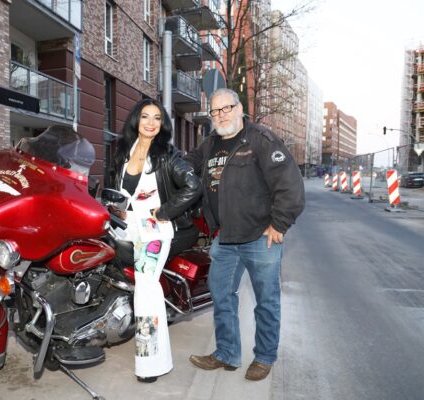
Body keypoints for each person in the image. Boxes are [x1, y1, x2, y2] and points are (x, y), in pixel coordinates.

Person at [184, 88, 305, 381]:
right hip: (225, 238)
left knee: (266, 301)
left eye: (226, 108)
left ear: (239, 108)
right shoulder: (210, 144)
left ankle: (264, 357)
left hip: (259, 237)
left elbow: (290, 186)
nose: (221, 115)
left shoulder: (261, 139)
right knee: (221, 296)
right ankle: (227, 353)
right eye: (215, 111)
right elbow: (186, 165)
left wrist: (279, 225)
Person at [110, 98, 201, 383]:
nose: (151, 123)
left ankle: (151, 361)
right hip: (125, 227)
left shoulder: (167, 155)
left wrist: (164, 211)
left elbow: (193, 186)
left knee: (146, 289)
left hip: (154, 231)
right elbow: (117, 190)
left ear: (163, 124)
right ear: (136, 120)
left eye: (157, 118)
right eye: (145, 116)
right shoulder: (122, 151)